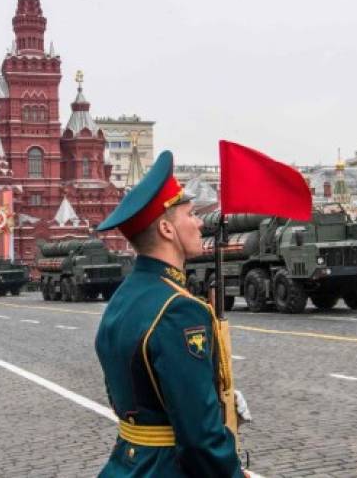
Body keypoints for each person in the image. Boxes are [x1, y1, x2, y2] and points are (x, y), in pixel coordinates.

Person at [95, 150, 248, 477]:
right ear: (166, 229)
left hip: (127, 463)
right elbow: (199, 439)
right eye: (191, 215)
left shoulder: (123, 297)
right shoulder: (180, 310)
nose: (199, 223)